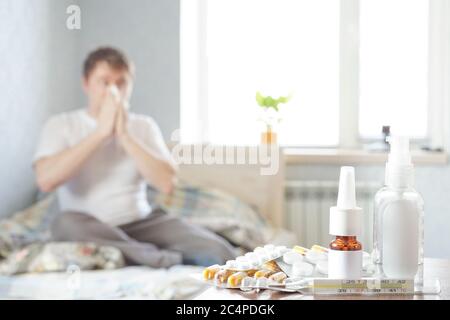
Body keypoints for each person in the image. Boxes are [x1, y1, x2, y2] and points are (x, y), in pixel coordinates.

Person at [33, 47, 236, 267]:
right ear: (86, 83)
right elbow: (46, 180)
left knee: (219, 250)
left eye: (121, 83)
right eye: (104, 82)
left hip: (142, 223)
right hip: (88, 226)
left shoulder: (144, 126)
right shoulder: (61, 125)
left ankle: (134, 253)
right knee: (64, 224)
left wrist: (124, 135)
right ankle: (160, 258)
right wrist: (100, 133)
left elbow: (166, 183)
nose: (114, 91)